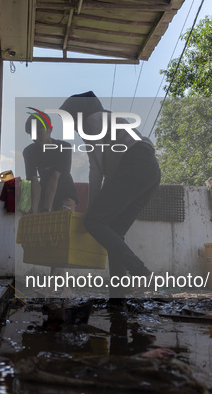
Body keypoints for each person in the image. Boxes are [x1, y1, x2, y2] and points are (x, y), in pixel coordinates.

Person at [59, 92, 161, 297]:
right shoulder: (110, 119)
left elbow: (96, 170)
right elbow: (112, 175)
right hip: (150, 169)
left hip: (135, 164)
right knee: (115, 230)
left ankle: (140, 272)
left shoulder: (91, 122)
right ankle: (118, 292)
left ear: (77, 114)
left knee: (94, 222)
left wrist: (90, 211)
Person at [23, 113, 79, 296]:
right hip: (47, 194)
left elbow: (55, 178)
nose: (36, 138)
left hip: (65, 196)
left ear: (49, 130)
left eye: (39, 133)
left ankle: (48, 288)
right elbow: (34, 182)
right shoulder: (29, 152)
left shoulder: (64, 147)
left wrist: (46, 210)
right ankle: (66, 290)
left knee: (59, 241)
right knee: (54, 243)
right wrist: (35, 209)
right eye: (32, 135)